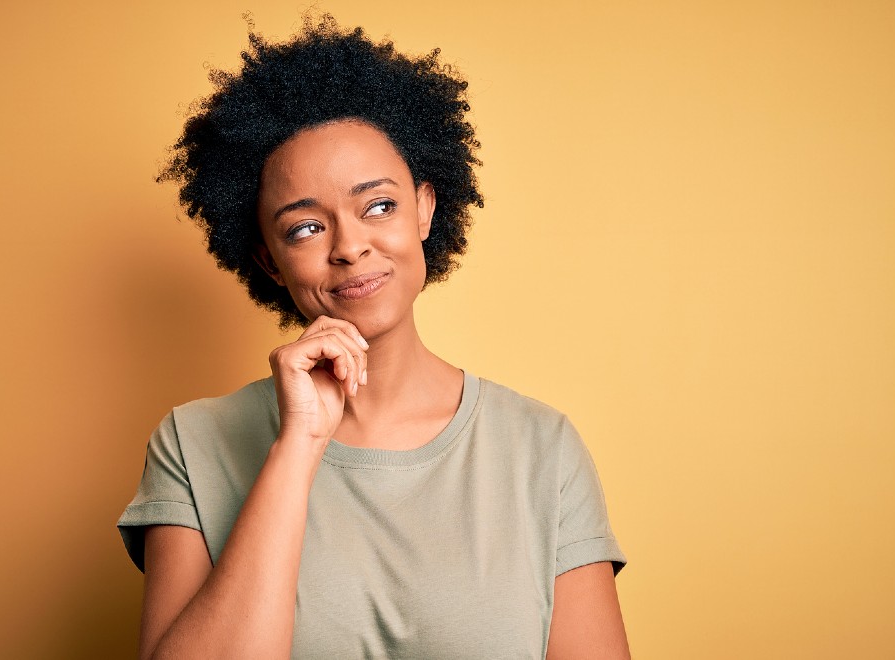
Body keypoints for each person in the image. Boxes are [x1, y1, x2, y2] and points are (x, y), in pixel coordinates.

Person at [118, 15, 630, 659]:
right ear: (269, 260)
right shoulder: (193, 447)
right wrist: (298, 445)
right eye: (305, 227)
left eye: (379, 205)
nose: (351, 245)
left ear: (425, 208)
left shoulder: (541, 450)